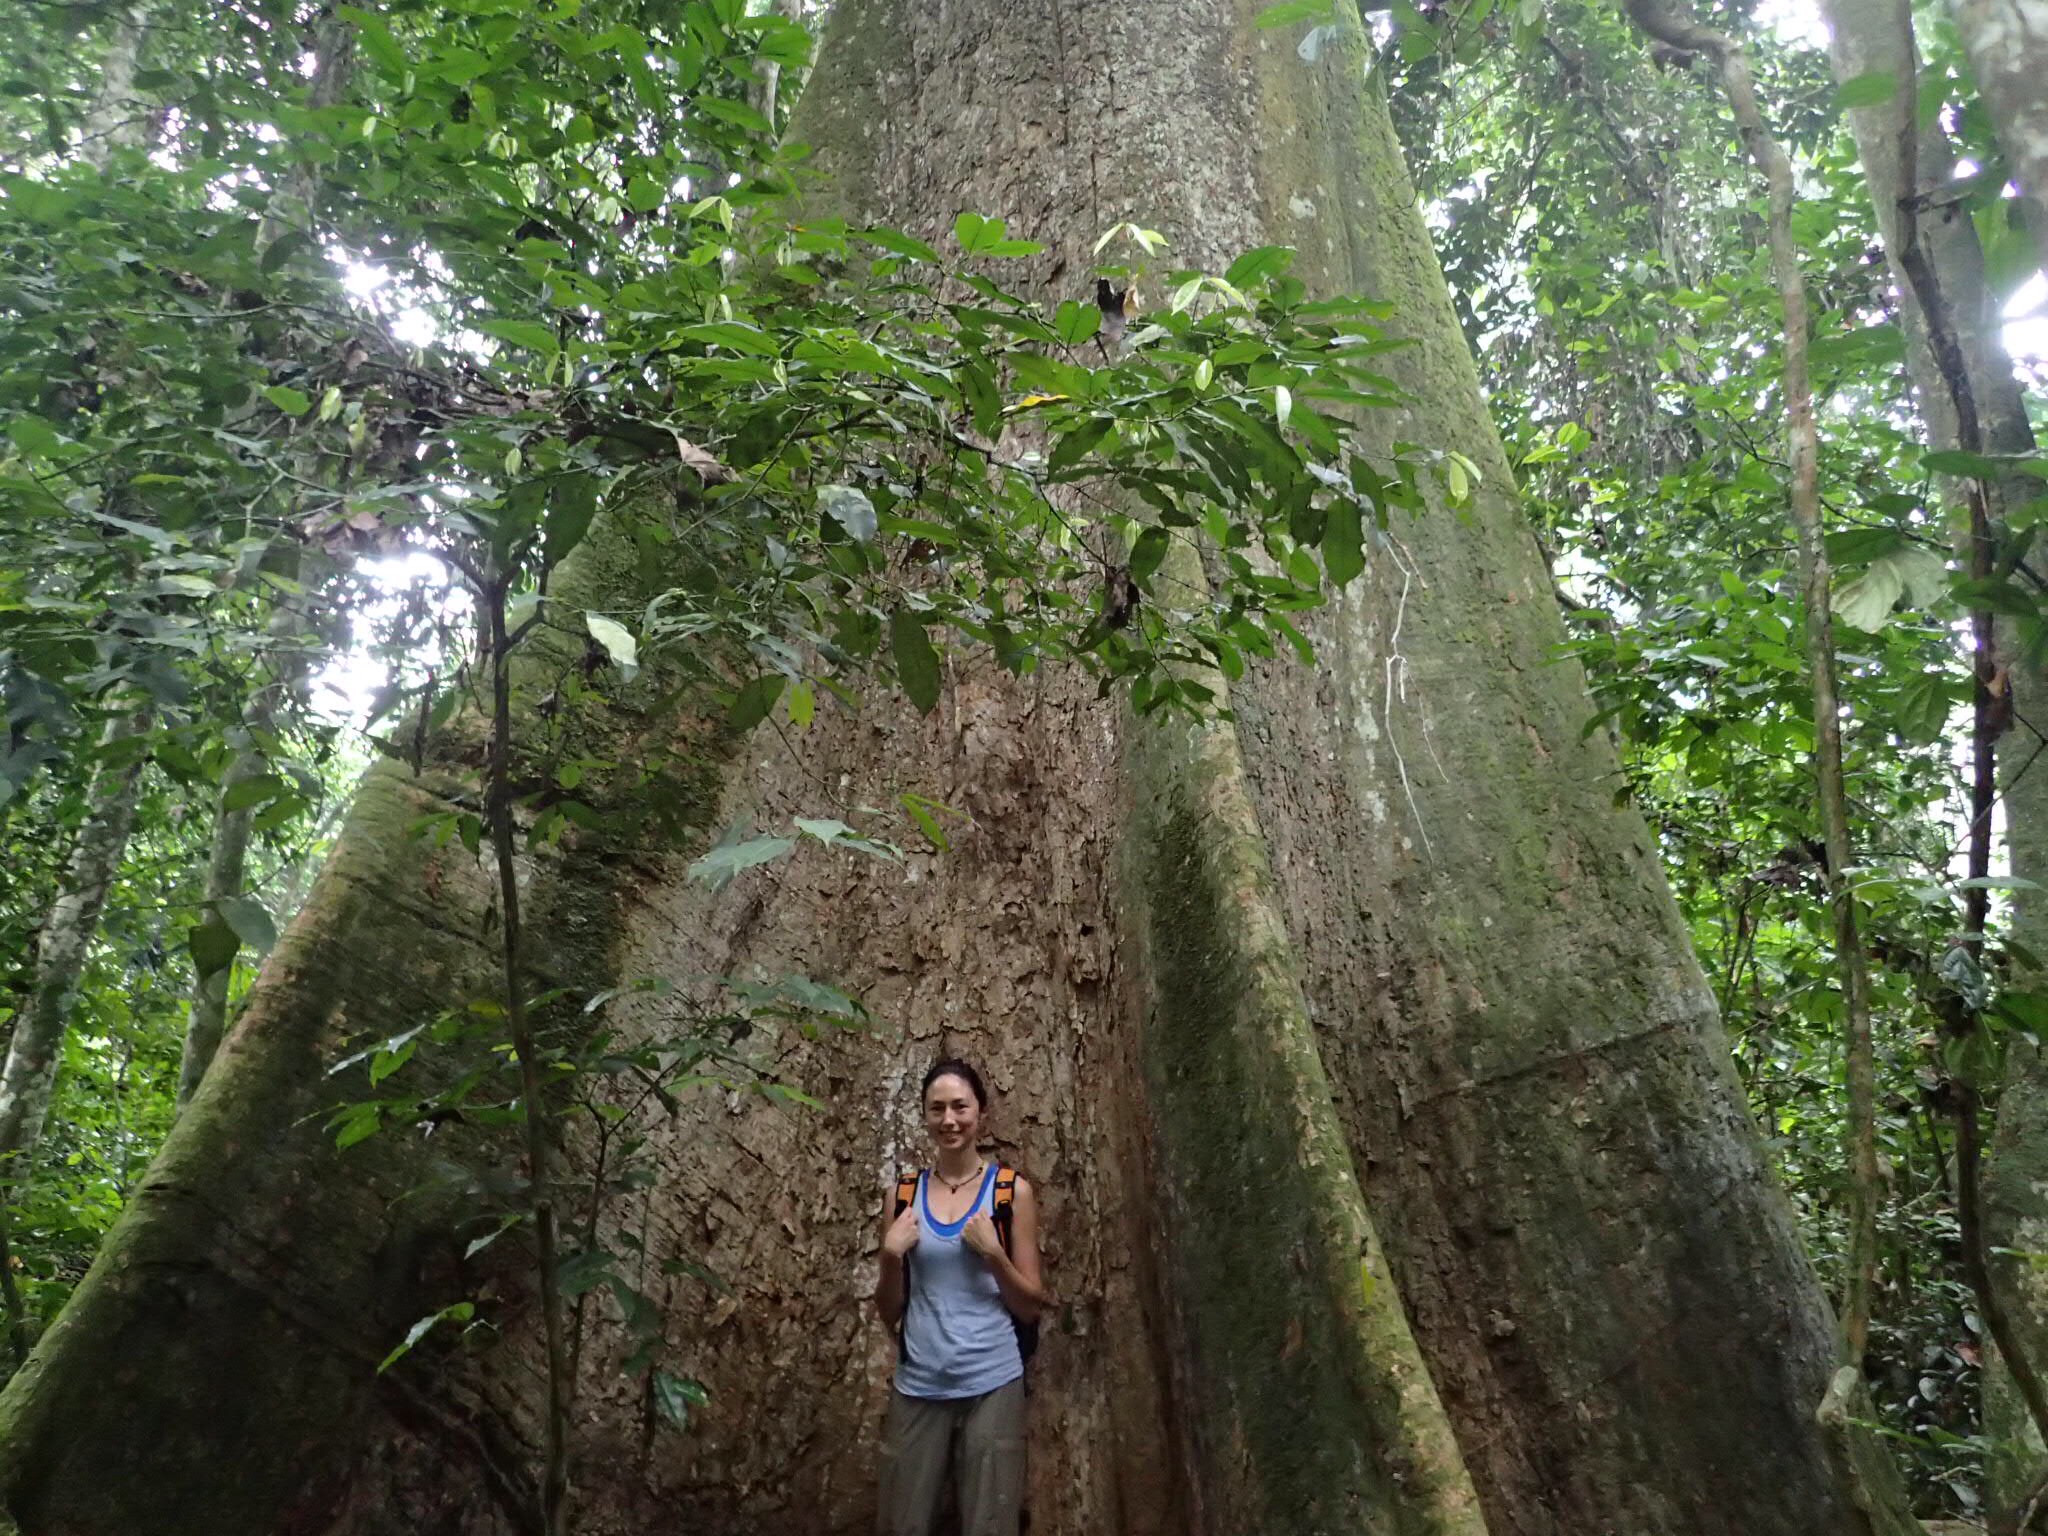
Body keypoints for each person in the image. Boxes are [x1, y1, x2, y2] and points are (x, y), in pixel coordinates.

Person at [875, 1058, 1045, 1536]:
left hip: (992, 1380)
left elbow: (1031, 1303)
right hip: (919, 1383)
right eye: (937, 1109)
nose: (949, 1120)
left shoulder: (1011, 1193)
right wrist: (889, 1256)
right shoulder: (902, 1197)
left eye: (960, 1107)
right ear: (925, 1115)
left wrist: (994, 1253)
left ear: (981, 1113)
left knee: (990, 1524)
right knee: (903, 1522)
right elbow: (888, 1311)